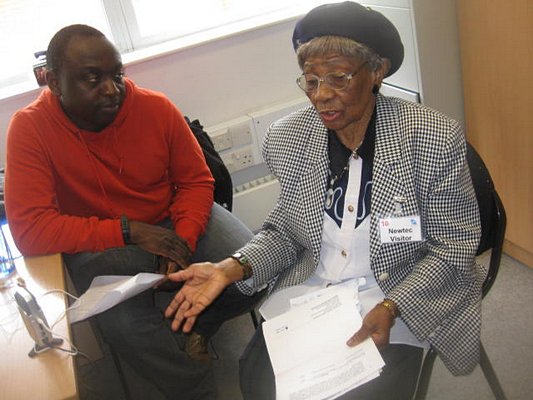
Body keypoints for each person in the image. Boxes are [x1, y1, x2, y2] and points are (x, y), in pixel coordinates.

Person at [163, 2, 485, 399]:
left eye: (338, 78)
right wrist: (232, 267)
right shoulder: (289, 138)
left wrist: (391, 307)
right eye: (311, 80)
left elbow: (453, 246)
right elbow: (286, 231)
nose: (321, 95)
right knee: (258, 380)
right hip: (315, 292)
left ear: (377, 72)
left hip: (399, 291)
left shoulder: (431, 137)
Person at [4, 24, 263, 399]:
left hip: (170, 217)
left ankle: (195, 328)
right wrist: (128, 231)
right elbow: (30, 230)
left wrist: (183, 242)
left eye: (117, 75)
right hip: (99, 239)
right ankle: (194, 388)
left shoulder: (155, 107)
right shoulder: (30, 128)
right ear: (53, 82)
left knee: (254, 268)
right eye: (92, 78)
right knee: (125, 327)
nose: (112, 89)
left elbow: (195, 181)